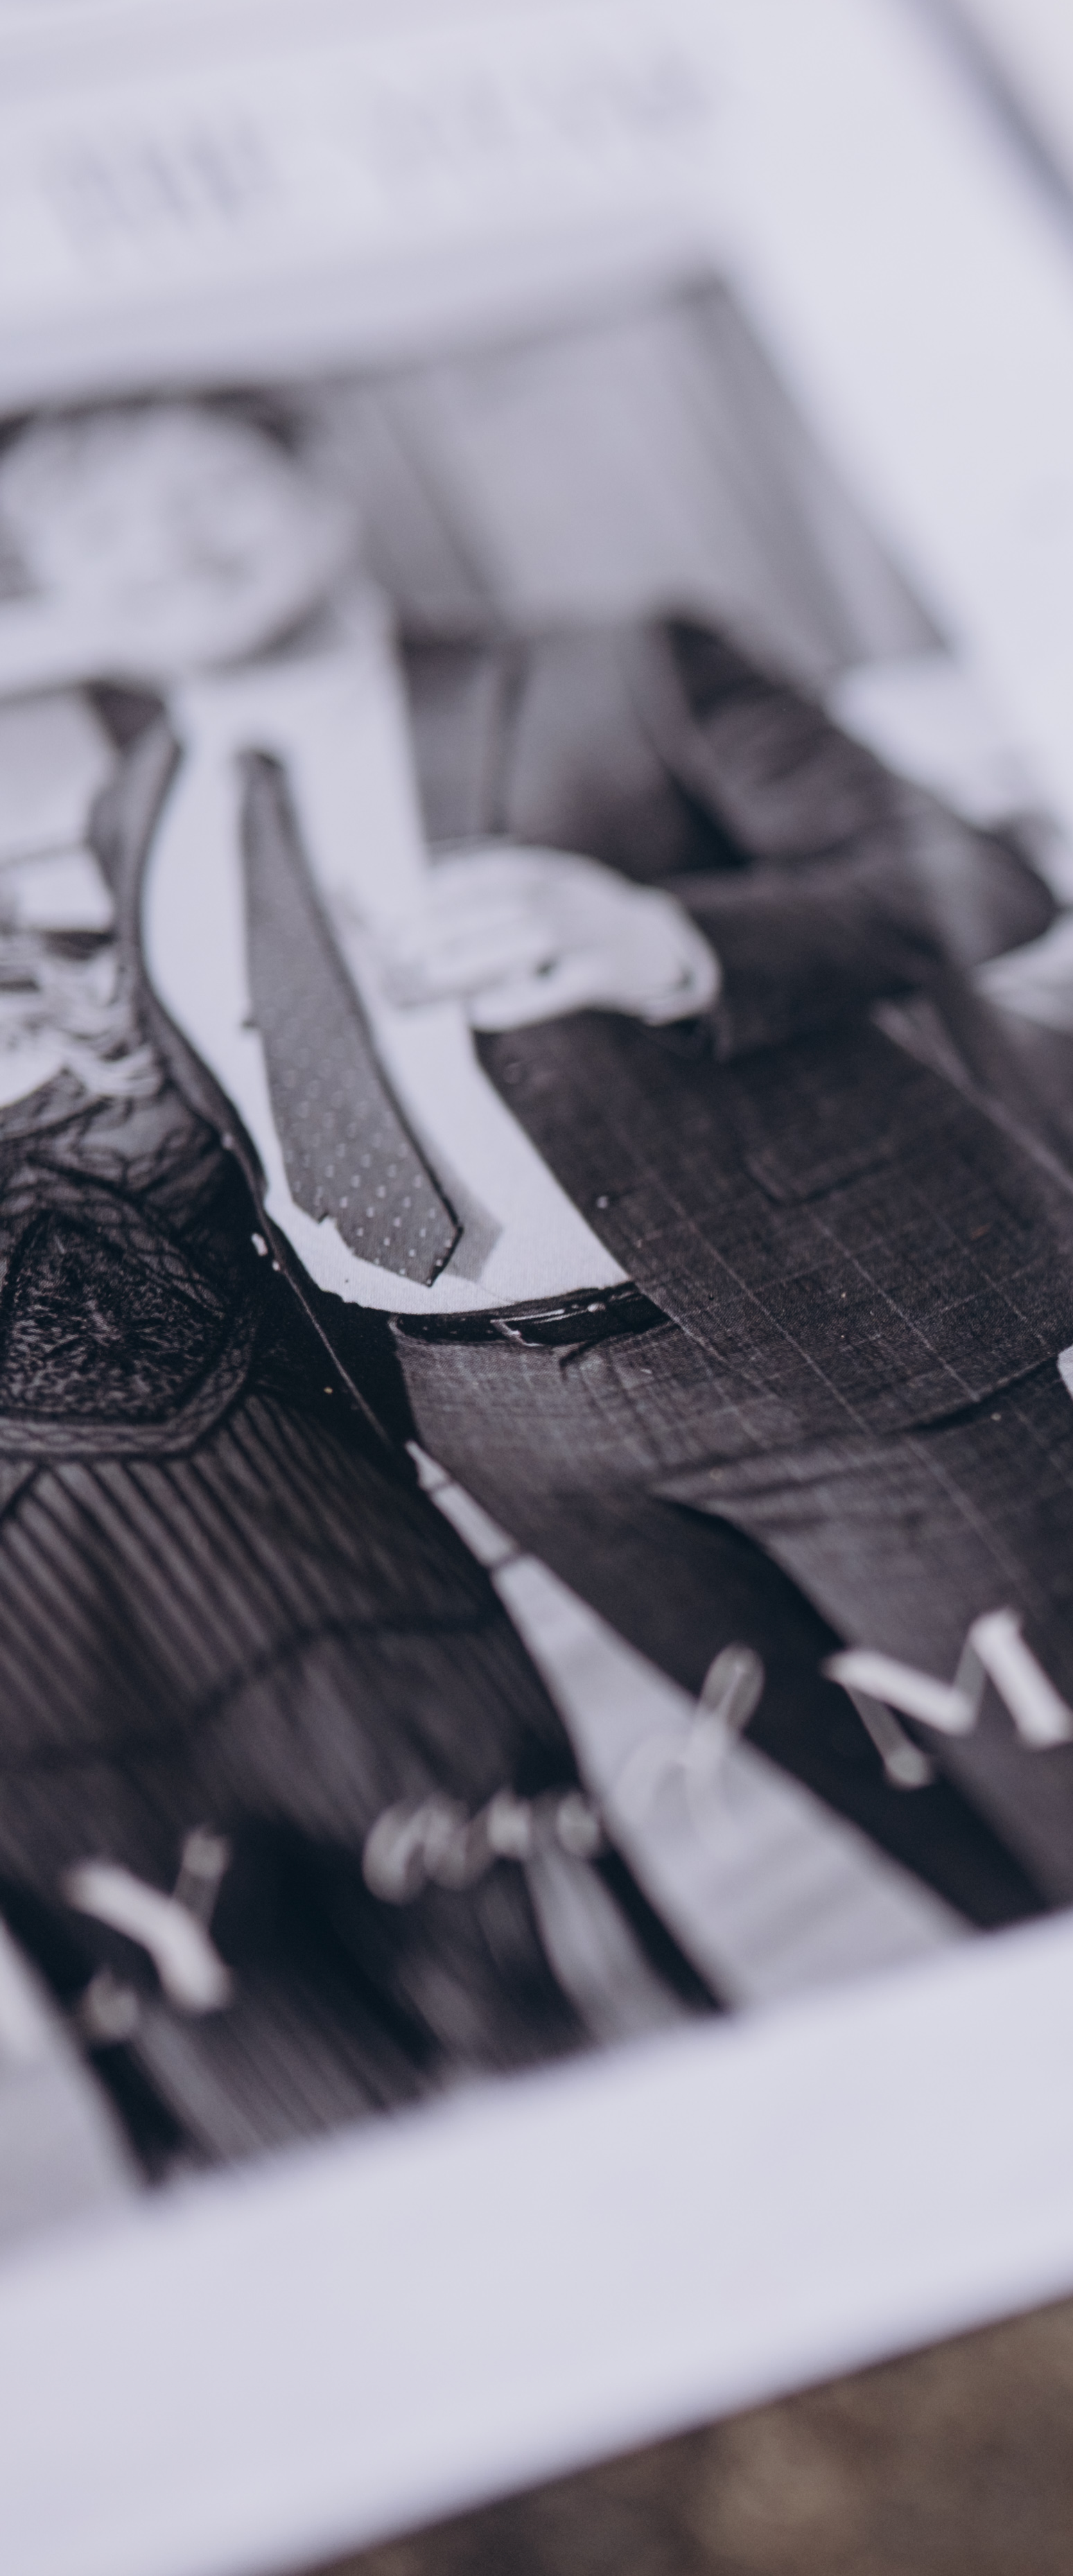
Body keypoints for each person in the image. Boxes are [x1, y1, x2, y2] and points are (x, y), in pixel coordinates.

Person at [0, 395, 1073, 1931]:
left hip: (819, 1342)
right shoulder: (137, 806)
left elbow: (972, 879)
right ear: (53, 593)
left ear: (321, 488)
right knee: (887, 1804)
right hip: (484, 1408)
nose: (162, 548)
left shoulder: (612, 672)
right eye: (94, 530)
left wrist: (671, 940)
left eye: (200, 488)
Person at [0, 786, 721, 2175]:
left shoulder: (141, 995)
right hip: (54, 1710)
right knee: (289, 2114)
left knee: (571, 2022)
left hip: (347, 1599)